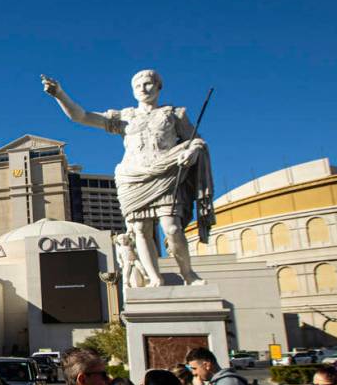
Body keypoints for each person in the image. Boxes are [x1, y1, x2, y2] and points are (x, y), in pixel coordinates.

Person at [42, 69, 213, 287]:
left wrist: (191, 151)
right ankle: (154, 278)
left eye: (148, 83)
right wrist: (59, 94)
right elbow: (82, 116)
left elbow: (196, 141)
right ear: (133, 91)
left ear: (158, 86)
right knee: (140, 230)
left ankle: (188, 274)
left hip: (166, 173)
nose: (143, 89)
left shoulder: (174, 114)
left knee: (172, 228)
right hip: (133, 177)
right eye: (138, 86)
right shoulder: (124, 117)